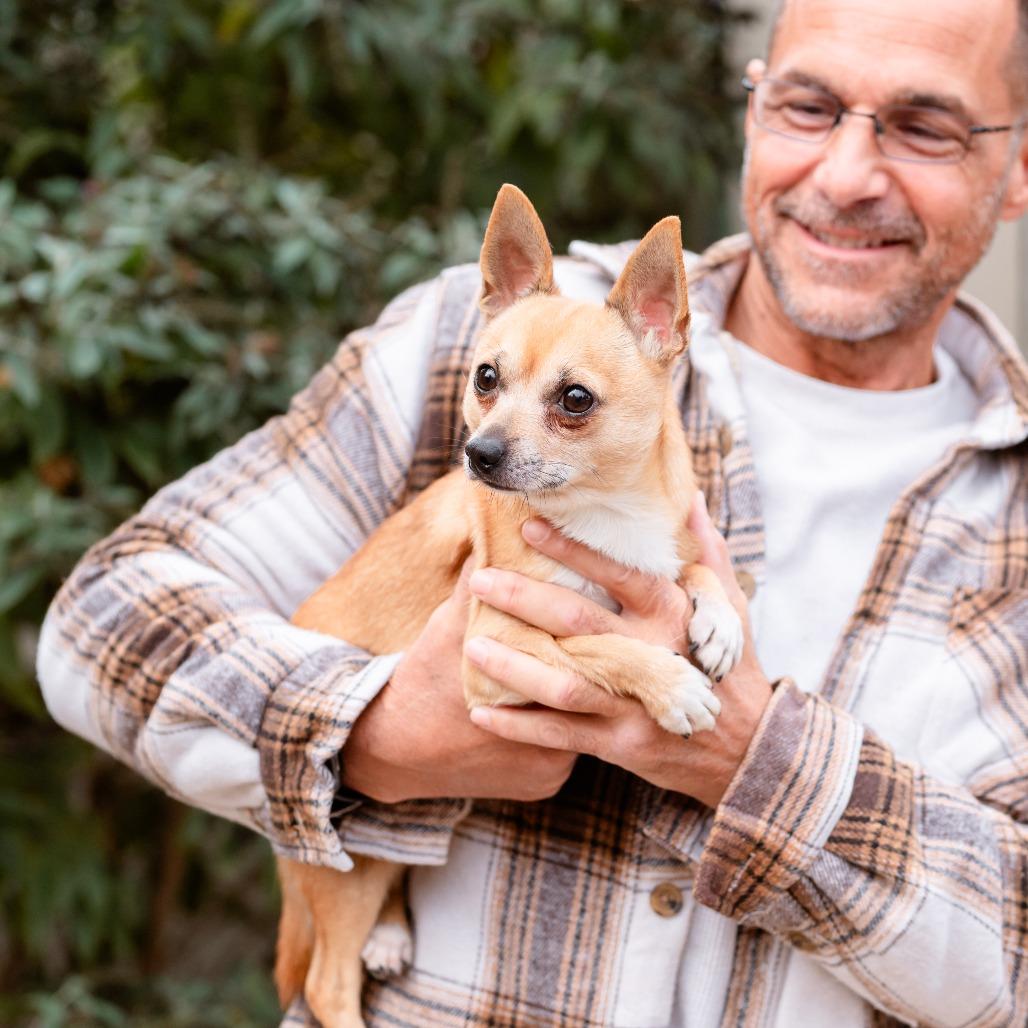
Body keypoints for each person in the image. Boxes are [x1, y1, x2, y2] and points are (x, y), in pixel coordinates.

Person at [37, 0, 1028, 1023]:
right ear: (749, 112)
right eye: (806, 103)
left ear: (1019, 166)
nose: (844, 171)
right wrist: (369, 730)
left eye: (924, 125)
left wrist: (757, 766)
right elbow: (101, 619)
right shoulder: (478, 350)